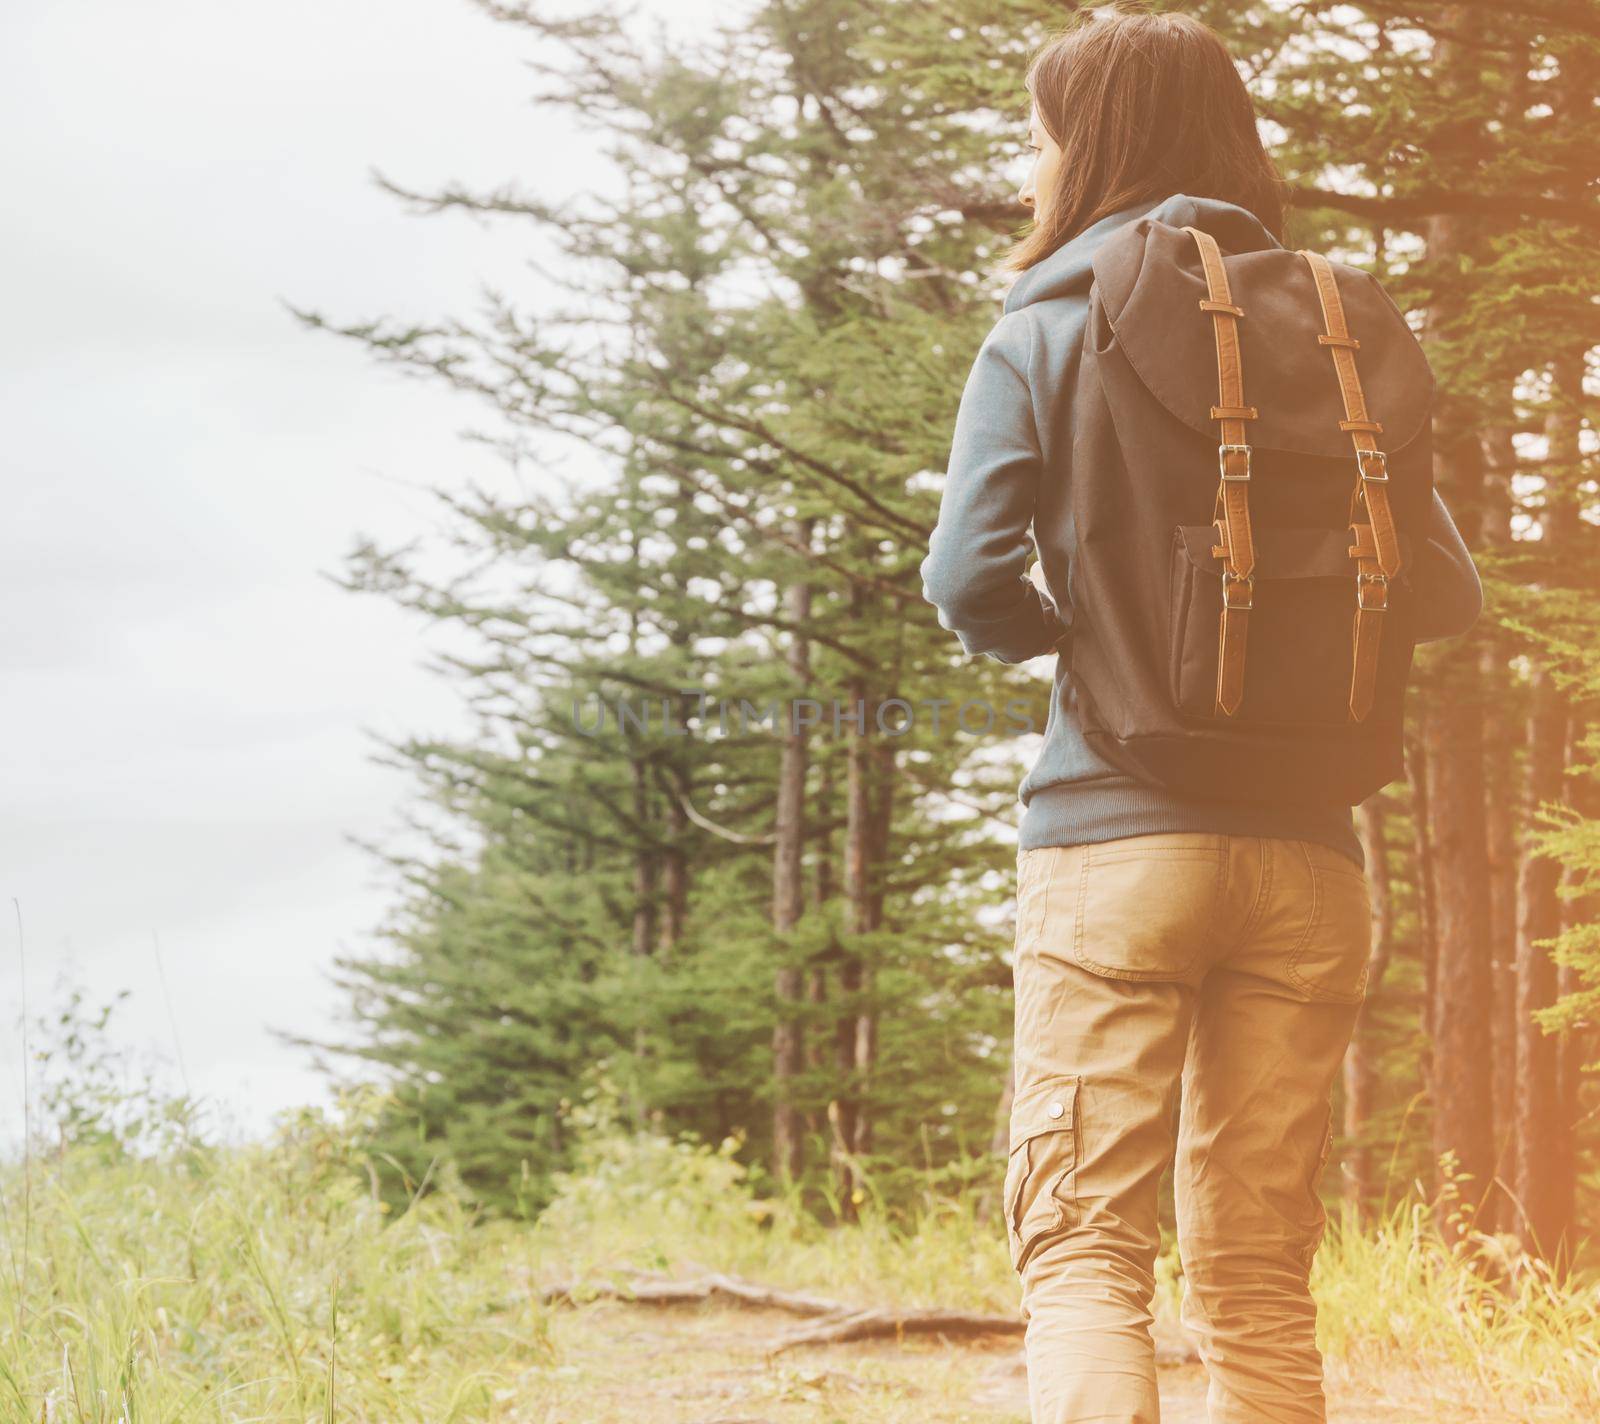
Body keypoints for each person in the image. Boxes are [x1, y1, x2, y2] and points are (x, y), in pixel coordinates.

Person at [919, 8, 1483, 1424]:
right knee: (1255, 1273)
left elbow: (966, 576)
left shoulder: (1049, 320)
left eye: (1046, 134)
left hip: (1114, 846)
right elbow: (1447, 594)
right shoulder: (1344, 331)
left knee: (1089, 1256)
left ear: (1089, 145)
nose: (1035, 162)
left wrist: (1088, 647)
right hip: (1311, 866)